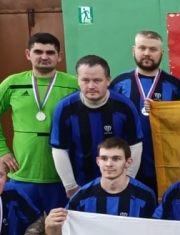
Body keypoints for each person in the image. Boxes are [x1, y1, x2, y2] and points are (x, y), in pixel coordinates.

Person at [0, 32, 79, 215]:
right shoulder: (13, 83)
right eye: (38, 52)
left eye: (50, 52)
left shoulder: (74, 85)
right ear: (28, 54)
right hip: (23, 174)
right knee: (22, 228)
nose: (44, 57)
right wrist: (2, 149)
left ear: (59, 56)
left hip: (63, 177)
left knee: (60, 227)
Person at [35, 138, 156, 235]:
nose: (109, 164)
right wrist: (50, 225)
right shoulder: (83, 195)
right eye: (104, 158)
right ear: (98, 161)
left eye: (116, 159)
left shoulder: (145, 196)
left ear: (128, 162)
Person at [50, 55, 144, 198]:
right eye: (85, 80)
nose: (91, 86)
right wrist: (70, 185)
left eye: (97, 80)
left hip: (118, 185)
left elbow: (135, 146)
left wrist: (128, 181)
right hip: (80, 186)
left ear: (108, 80)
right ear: (78, 80)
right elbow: (59, 149)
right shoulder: (65, 108)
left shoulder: (125, 107)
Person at [110, 30, 180, 194]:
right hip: (127, 162)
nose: (147, 53)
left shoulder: (175, 85)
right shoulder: (119, 84)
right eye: (142, 48)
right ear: (133, 50)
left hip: (165, 162)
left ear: (162, 53)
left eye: (153, 49)